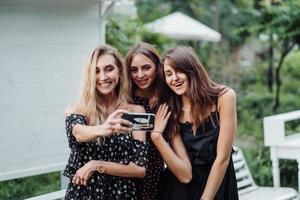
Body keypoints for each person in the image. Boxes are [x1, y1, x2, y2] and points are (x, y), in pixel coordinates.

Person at [63, 45, 149, 200]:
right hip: (83, 194)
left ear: (120, 72)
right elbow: (78, 134)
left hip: (122, 194)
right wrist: (104, 128)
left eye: (109, 69)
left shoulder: (136, 112)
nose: (103, 77)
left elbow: (139, 169)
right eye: (96, 71)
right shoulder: (77, 109)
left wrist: (96, 165)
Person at [158, 46, 238, 200]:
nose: (174, 78)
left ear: (192, 70)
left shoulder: (224, 97)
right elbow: (184, 171)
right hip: (181, 189)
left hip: (218, 183)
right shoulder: (172, 110)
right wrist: (157, 136)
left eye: (178, 71)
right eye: (168, 74)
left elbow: (223, 158)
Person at [125, 43, 166, 200]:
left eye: (146, 68)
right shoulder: (127, 100)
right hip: (130, 175)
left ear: (157, 67)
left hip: (158, 174)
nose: (140, 75)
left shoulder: (167, 98)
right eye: (134, 70)